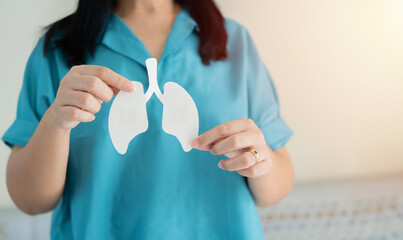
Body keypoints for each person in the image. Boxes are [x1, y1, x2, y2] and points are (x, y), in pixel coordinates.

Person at [2, 0, 295, 239]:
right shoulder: (57, 49)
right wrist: (56, 121)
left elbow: (276, 187)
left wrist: (259, 160)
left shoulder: (234, 41)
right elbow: (30, 200)